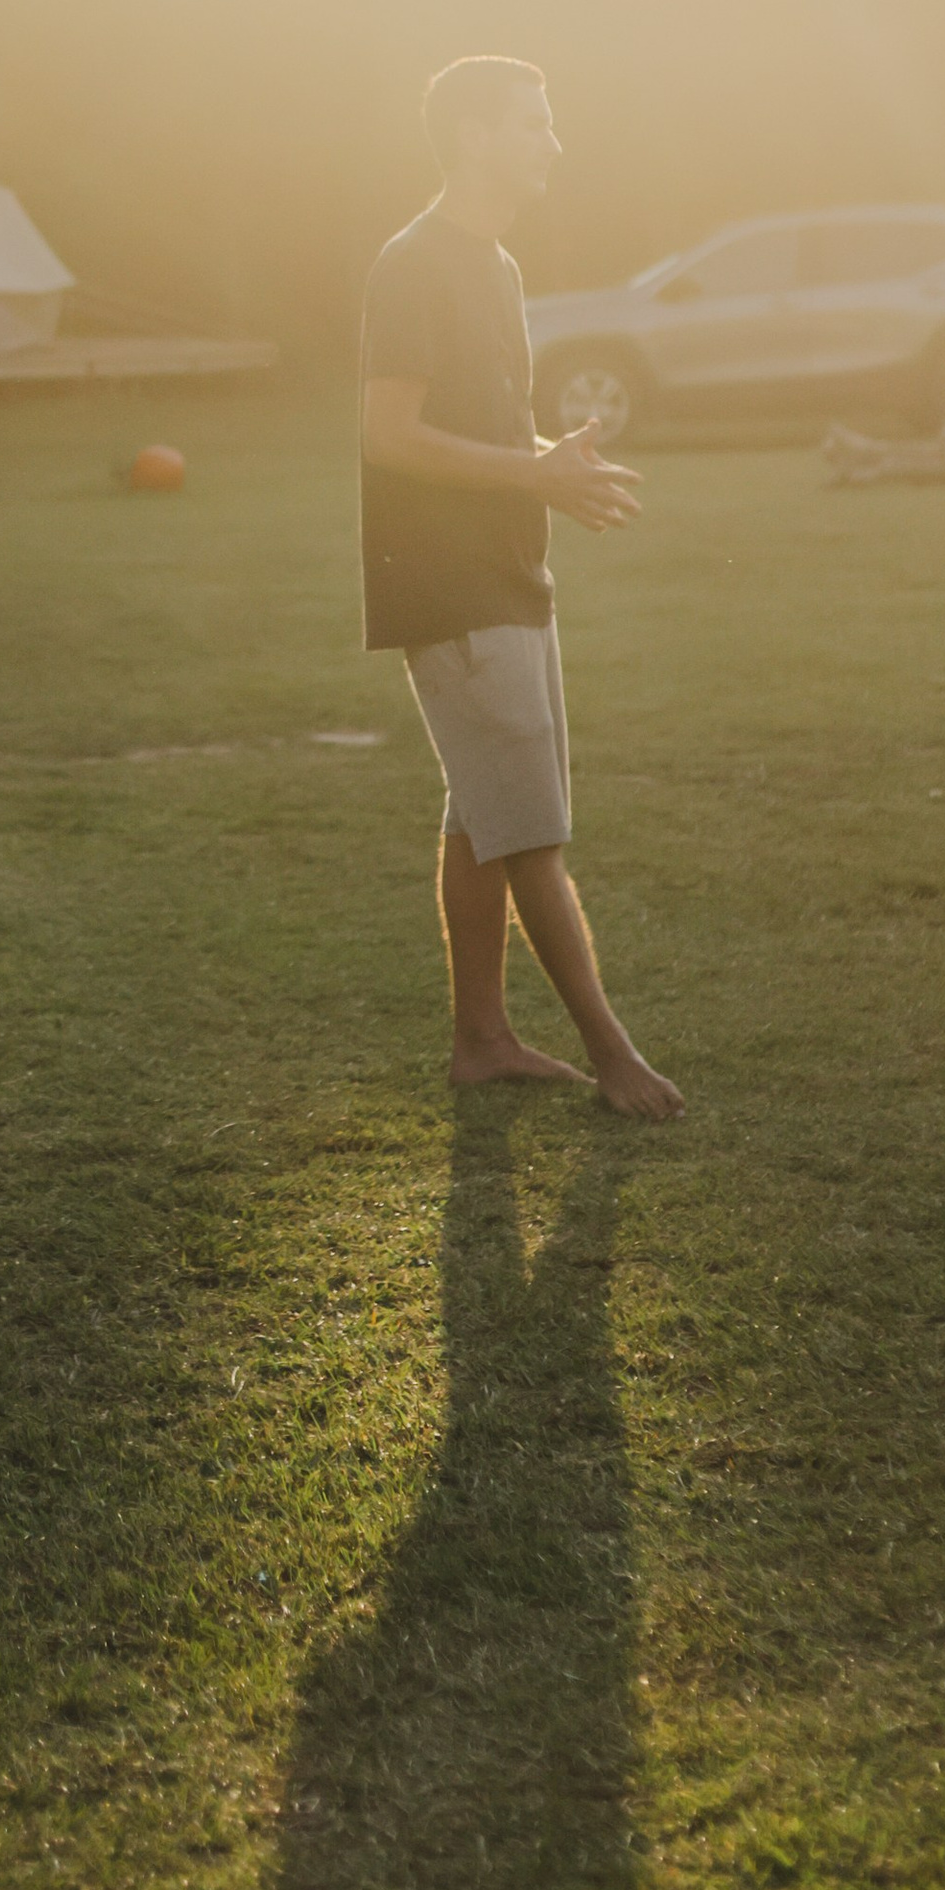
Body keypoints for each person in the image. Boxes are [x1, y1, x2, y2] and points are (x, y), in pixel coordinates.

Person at [359, 56, 684, 1121]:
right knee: (531, 830)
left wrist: (555, 464)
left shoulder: (493, 264)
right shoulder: (411, 265)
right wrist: (531, 470)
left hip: (509, 571)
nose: (552, 142)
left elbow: (489, 430)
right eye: (533, 124)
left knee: (482, 815)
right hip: (450, 584)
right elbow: (390, 434)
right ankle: (613, 1055)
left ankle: (481, 1041)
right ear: (473, 138)